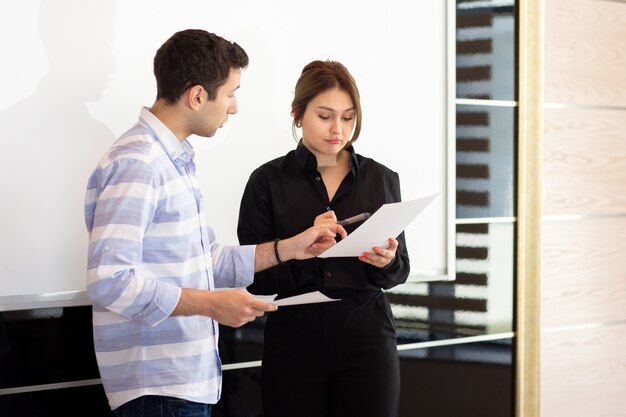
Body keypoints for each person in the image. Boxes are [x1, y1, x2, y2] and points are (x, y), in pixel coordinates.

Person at [84, 31, 346, 417]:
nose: (234, 107)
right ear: (196, 96)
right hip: (157, 391)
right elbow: (110, 279)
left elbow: (203, 260)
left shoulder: (172, 161)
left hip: (179, 386)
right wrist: (210, 304)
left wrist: (290, 248)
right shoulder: (139, 163)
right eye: (230, 93)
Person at [237, 60, 410, 417]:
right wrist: (302, 251)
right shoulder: (266, 181)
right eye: (325, 116)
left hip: (367, 336)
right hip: (295, 338)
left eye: (348, 117)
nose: (338, 129)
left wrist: (387, 261)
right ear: (298, 114)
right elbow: (252, 277)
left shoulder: (381, 179)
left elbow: (401, 269)